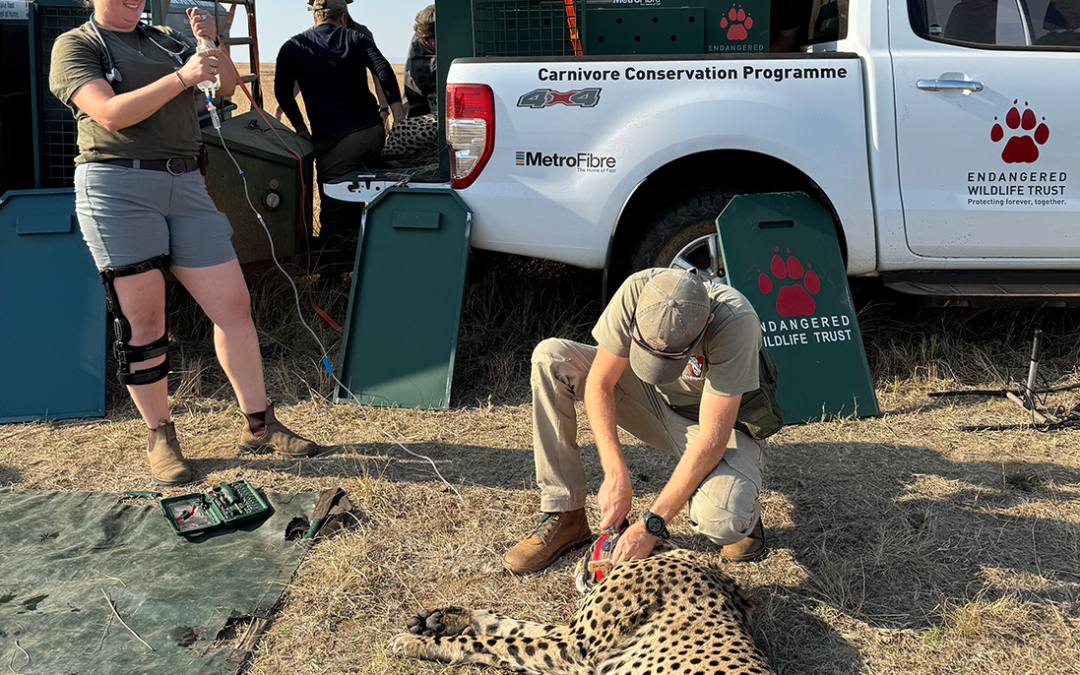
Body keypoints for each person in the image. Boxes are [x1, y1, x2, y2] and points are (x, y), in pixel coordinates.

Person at [49, 0, 318, 485]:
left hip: (187, 183)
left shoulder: (166, 40)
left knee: (233, 305)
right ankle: (160, 437)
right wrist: (182, 78)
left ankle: (260, 424)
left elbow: (227, 86)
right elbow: (109, 113)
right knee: (145, 319)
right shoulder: (77, 45)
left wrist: (211, 43)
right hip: (116, 188)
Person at [503, 268, 779, 574]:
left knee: (723, 520)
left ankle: (742, 508)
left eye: (670, 356)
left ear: (707, 324)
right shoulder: (639, 291)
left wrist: (651, 525)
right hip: (650, 401)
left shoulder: (735, 322)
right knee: (551, 357)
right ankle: (565, 513)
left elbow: (711, 438)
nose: (656, 362)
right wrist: (615, 473)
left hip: (718, 428)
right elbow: (600, 383)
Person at [274, 0, 403, 246]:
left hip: (335, 141)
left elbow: (281, 92)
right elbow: (383, 69)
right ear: (342, 17)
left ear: (315, 17)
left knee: (333, 208)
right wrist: (398, 118)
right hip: (372, 135)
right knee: (357, 194)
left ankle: (330, 270)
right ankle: (357, 249)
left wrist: (301, 128)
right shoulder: (356, 38)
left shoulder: (292, 47)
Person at [403, 4, 436, 118]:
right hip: (419, 115)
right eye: (427, 39)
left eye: (437, 37)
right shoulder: (418, 42)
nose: (433, 43)